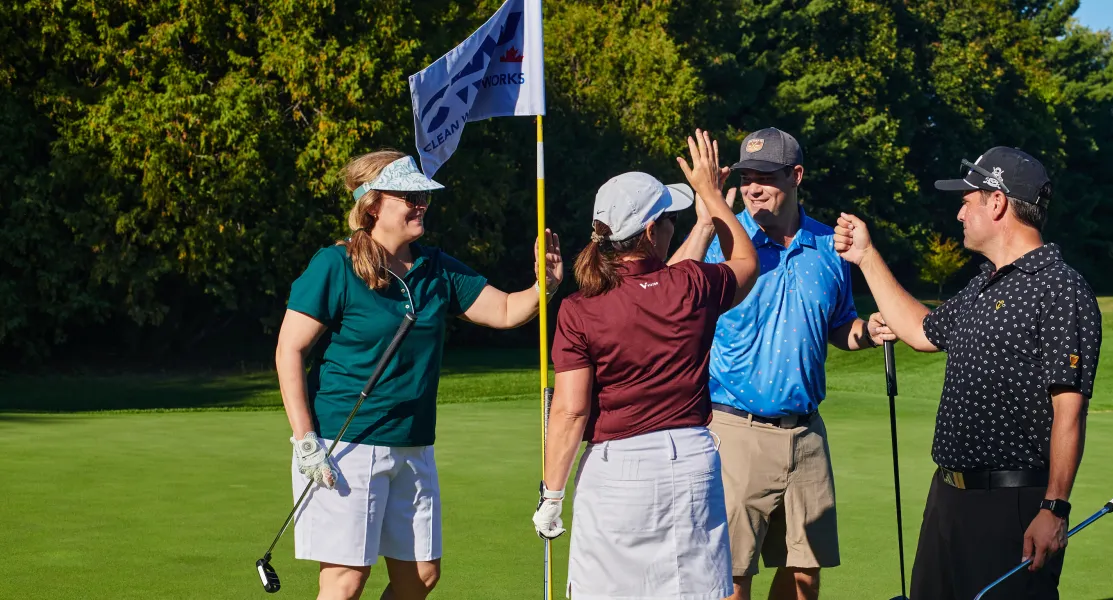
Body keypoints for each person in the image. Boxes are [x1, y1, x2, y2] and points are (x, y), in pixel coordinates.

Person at [275, 150, 562, 600]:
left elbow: (506, 310)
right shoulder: (334, 265)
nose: (420, 203)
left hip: (413, 445)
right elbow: (289, 349)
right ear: (372, 205)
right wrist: (305, 440)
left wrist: (544, 285)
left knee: (421, 575)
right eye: (408, 195)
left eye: (422, 195)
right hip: (344, 444)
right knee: (346, 580)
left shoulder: (436, 268)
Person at [833, 147, 1102, 600]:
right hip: (948, 497)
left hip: (1011, 506)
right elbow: (920, 331)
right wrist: (866, 256)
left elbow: (1069, 412)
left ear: (997, 202)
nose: (960, 213)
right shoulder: (984, 283)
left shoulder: (1060, 287)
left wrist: (1054, 508)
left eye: (968, 200)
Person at [533, 130, 760, 599]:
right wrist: (714, 200)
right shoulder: (692, 283)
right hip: (692, 461)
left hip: (618, 471)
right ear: (653, 230)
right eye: (670, 221)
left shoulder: (580, 307)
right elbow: (744, 261)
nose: (675, 226)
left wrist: (552, 497)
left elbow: (572, 411)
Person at [668, 127, 892, 600]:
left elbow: (839, 325)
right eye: (746, 177)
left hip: (807, 435)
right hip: (735, 430)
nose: (752, 187)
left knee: (805, 574)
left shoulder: (831, 248)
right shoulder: (723, 242)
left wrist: (867, 334)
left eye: (765, 177)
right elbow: (665, 296)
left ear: (795, 176)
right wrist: (707, 219)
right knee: (731, 578)